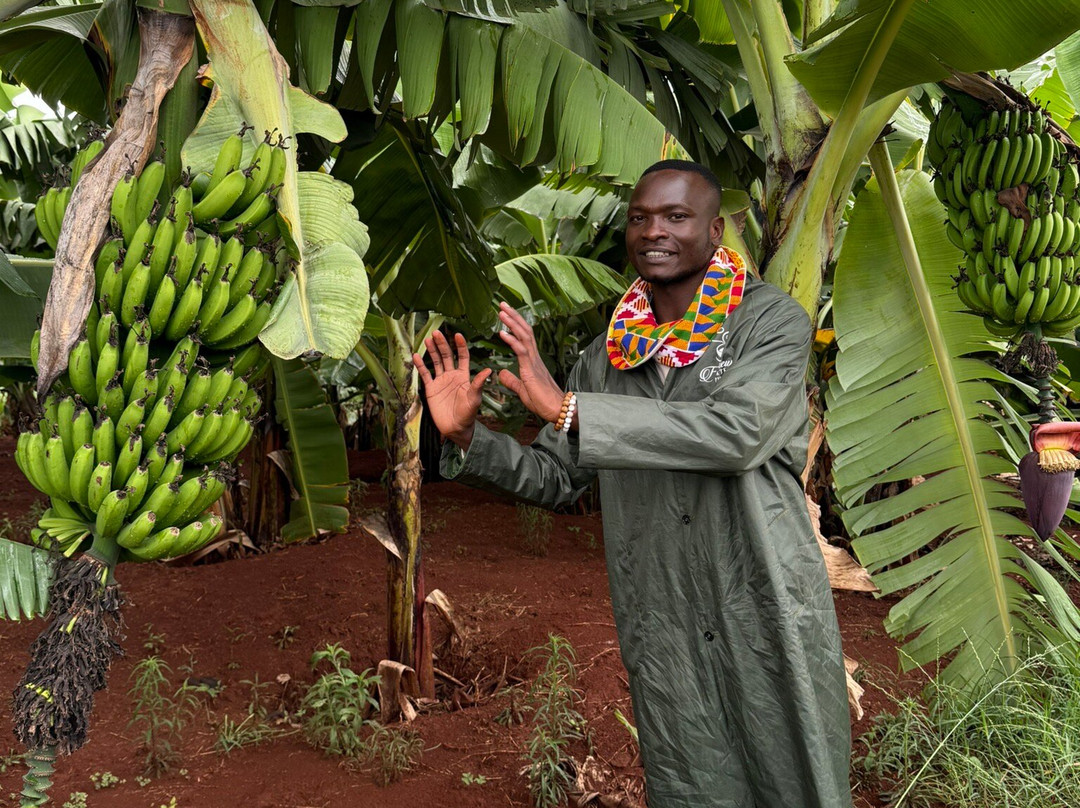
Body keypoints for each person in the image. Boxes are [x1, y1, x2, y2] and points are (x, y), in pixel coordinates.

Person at [413, 160, 854, 808]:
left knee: (796, 777)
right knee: (693, 783)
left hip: (762, 601)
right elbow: (557, 477)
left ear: (713, 231)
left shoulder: (769, 323)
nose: (654, 231)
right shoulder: (603, 358)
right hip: (664, 614)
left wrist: (572, 409)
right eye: (640, 217)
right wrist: (466, 438)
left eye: (676, 216)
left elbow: (736, 435)